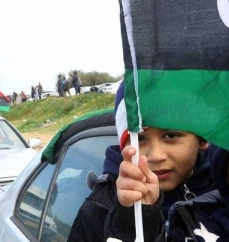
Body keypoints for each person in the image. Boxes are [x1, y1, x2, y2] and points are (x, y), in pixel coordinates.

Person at [68, 82, 216, 242]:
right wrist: (129, 221)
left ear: (202, 139)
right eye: (139, 138)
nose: (156, 156)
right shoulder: (99, 208)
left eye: (171, 136)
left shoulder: (226, 188)